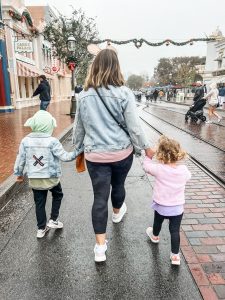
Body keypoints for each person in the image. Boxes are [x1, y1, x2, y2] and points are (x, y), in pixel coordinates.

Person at [72, 49, 154, 262]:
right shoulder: (124, 93)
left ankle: (100, 248)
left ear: (95, 66)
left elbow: (78, 129)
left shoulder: (84, 95)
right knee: (118, 186)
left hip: (95, 156)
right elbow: (134, 126)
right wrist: (146, 147)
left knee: (99, 197)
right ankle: (117, 213)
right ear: (116, 66)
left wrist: (77, 148)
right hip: (121, 154)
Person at [14, 110, 77, 238]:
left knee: (39, 203)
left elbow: (20, 159)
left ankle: (41, 229)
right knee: (57, 194)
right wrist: (78, 151)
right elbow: (65, 156)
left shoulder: (25, 141)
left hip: (35, 178)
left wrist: (18, 173)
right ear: (49, 125)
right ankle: (53, 219)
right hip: (51, 177)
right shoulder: (52, 141)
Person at [143, 136, 191, 265]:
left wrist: (149, 156)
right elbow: (188, 177)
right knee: (175, 231)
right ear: (178, 153)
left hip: (161, 205)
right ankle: (175, 256)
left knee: (157, 222)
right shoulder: (183, 170)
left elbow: (146, 166)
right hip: (177, 208)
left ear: (160, 155)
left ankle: (155, 236)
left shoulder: (159, 169)